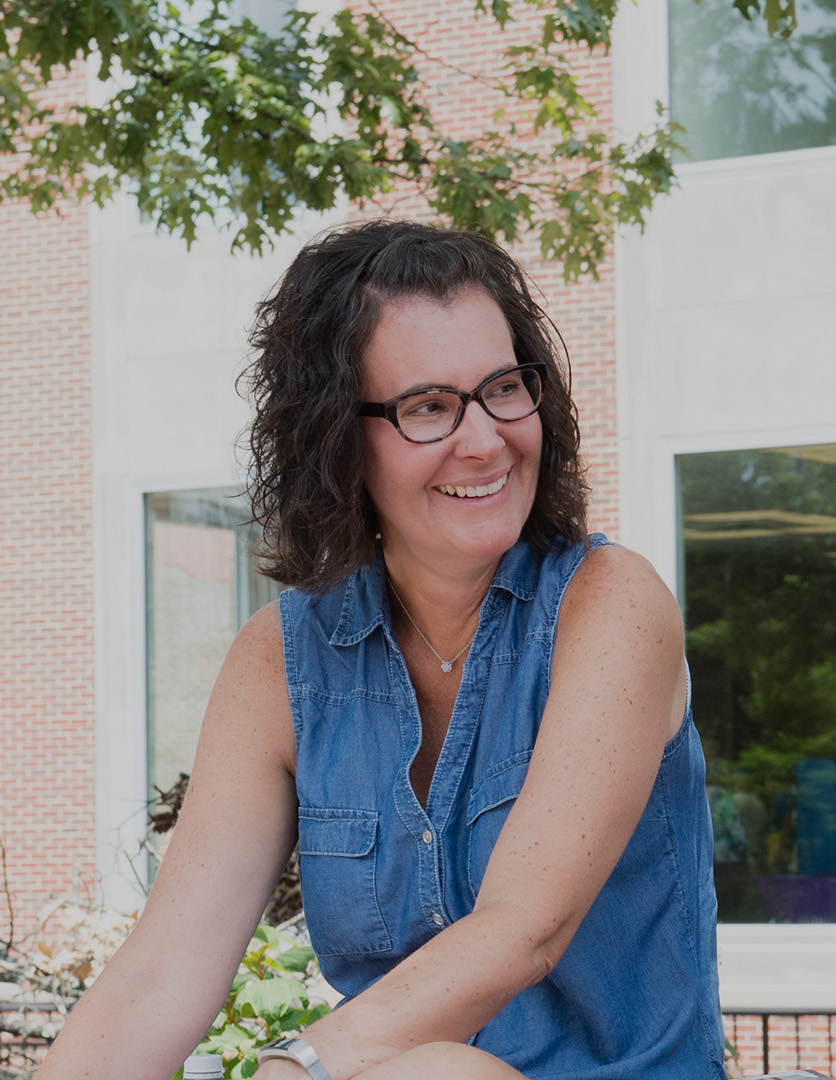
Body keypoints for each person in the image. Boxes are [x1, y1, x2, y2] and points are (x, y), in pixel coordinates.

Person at [37, 221, 726, 1080]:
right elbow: (164, 966)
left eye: (505, 388)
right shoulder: (278, 661)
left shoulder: (612, 605)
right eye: (428, 406)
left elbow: (524, 930)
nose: (484, 439)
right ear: (337, 437)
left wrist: (295, 1069)